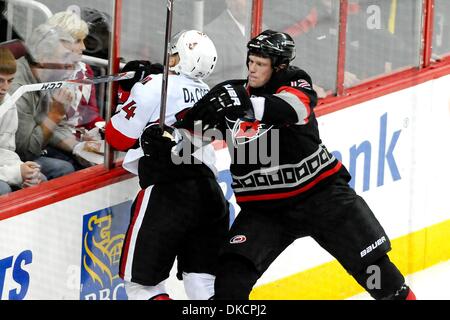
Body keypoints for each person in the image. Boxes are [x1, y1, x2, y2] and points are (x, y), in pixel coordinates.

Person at [178, 30, 416, 300]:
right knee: (230, 281)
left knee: (379, 276)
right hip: (265, 209)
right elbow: (190, 142)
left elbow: (294, 110)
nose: (252, 69)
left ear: (279, 66)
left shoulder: (295, 81)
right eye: (251, 62)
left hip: (322, 198)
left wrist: (245, 105)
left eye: (261, 64)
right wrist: (164, 138)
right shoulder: (231, 94)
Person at [104, 30, 229, 300]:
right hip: (210, 194)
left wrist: (129, 92)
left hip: (168, 192)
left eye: (172, 54)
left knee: (142, 287)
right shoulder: (208, 93)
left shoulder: (155, 85)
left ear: (177, 58)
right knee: (203, 286)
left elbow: (117, 136)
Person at [11, 23, 89, 175]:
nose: (70, 63)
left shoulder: (49, 75)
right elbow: (26, 151)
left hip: (37, 146)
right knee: (65, 169)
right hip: (15, 158)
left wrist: (79, 147)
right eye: (65, 56)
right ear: (42, 58)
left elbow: (51, 127)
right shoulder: (18, 89)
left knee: (80, 161)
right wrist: (55, 115)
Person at [47, 11, 104, 143]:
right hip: (54, 141)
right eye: (78, 41)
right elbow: (44, 124)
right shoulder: (45, 73)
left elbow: (90, 114)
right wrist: (77, 142)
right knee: (66, 165)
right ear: (60, 42)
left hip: (79, 137)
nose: (84, 47)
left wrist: (104, 129)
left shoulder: (84, 71)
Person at [0, 47, 45, 195]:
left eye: (10, 81)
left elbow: (5, 151)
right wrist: (16, 173)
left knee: (39, 178)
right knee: (3, 188)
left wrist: (23, 169)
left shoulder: (8, 103)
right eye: (0, 81)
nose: (5, 88)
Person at [203, 0, 252, 87]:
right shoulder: (213, 33)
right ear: (229, 1)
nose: (248, 2)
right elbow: (210, 79)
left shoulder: (261, 28)